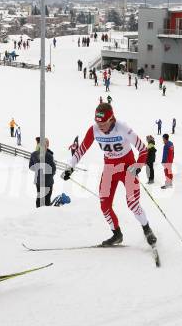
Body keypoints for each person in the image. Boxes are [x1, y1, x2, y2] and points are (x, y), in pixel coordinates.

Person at [61, 103, 157, 247]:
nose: (100, 127)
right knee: (104, 204)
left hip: (127, 168)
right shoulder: (94, 130)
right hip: (110, 169)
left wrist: (137, 166)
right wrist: (70, 167)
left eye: (104, 124)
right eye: (98, 123)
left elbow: (143, 149)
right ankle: (117, 234)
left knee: (132, 203)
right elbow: (81, 150)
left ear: (111, 119)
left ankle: (147, 229)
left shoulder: (122, 128)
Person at [29, 137, 56, 208]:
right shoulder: (49, 155)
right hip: (48, 181)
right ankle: (45, 214)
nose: (48, 145)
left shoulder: (34, 154)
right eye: (47, 144)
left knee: (39, 196)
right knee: (47, 198)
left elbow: (31, 166)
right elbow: (53, 169)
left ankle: (38, 212)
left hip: (38, 181)